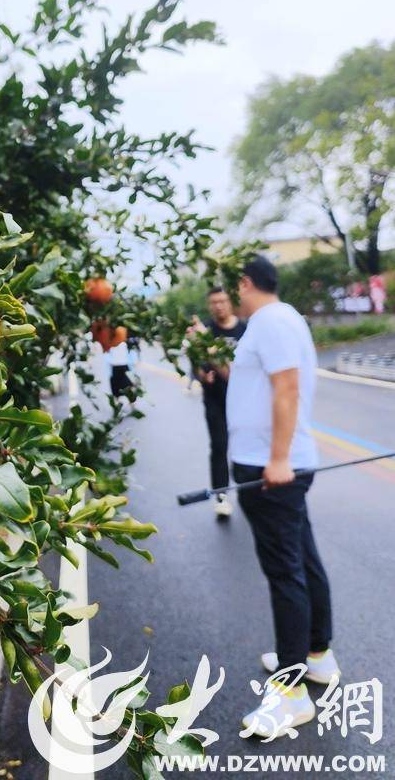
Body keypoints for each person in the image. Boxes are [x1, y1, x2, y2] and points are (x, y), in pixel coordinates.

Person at [226, 255, 339, 740]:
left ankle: (290, 692)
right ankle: (316, 655)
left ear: (246, 283)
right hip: (280, 464)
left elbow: (286, 390)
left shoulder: (269, 320)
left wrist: (276, 459)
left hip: (273, 469)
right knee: (303, 559)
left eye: (236, 286)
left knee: (285, 572)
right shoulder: (281, 319)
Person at [191, 287, 246, 518]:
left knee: (244, 445)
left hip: (244, 400)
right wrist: (203, 375)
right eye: (214, 302)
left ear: (230, 303)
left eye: (223, 301)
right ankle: (221, 494)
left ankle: (247, 488)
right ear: (209, 304)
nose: (219, 306)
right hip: (215, 398)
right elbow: (196, 364)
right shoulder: (204, 330)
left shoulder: (245, 329)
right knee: (219, 445)